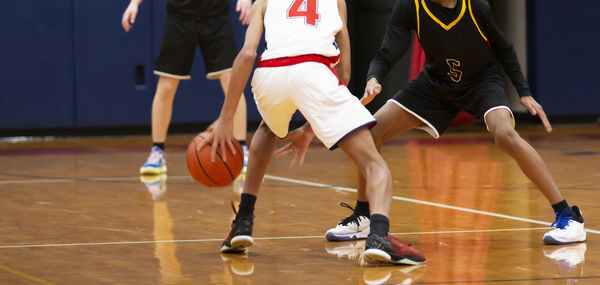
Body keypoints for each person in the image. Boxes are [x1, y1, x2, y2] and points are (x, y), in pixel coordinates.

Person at [277, 0, 586, 245]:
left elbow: (504, 47)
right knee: (370, 130)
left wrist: (524, 93)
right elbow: (387, 52)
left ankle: (567, 215)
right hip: (435, 84)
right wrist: (373, 78)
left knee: (505, 134)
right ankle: (364, 216)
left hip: (481, 82)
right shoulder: (411, 6)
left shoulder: (475, 5)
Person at [199, 0, 426, 265]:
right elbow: (343, 72)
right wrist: (314, 122)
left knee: (267, 127)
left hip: (270, 74)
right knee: (375, 165)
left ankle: (243, 221)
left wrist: (226, 117)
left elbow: (248, 54)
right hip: (314, 70)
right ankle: (379, 237)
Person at [121, 0, 251, 175]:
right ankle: (157, 152)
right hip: (179, 17)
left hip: (216, 15)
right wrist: (134, 4)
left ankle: (241, 148)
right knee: (166, 86)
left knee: (230, 80)